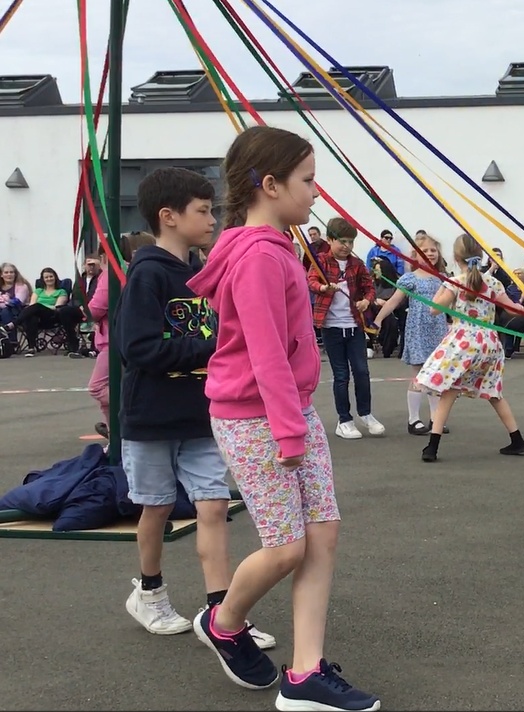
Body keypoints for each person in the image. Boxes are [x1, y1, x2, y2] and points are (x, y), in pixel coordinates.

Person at [187, 125, 380, 711]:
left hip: (287, 411)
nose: (316, 192)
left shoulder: (275, 248)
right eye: (308, 180)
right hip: (257, 419)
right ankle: (223, 622)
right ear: (270, 185)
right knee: (287, 546)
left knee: (322, 533)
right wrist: (290, 430)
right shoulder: (257, 257)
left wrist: (296, 420)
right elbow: (266, 353)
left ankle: (305, 673)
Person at [115, 167, 275, 652]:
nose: (211, 220)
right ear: (169, 216)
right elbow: (137, 347)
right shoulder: (146, 274)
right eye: (203, 211)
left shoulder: (204, 273)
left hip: (203, 413)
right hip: (150, 416)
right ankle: (149, 592)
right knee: (157, 506)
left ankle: (223, 612)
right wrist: (213, 347)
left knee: (213, 504)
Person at [416, 233, 524, 463]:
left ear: (456, 258)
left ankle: (432, 447)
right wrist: (522, 305)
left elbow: (434, 309)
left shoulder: (455, 282)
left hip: (464, 343)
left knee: (449, 391)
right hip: (489, 344)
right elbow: (512, 309)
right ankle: (517, 439)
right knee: (493, 392)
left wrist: (442, 286)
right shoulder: (493, 282)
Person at [309, 218, 385, 440]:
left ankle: (366, 414)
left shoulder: (357, 263)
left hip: (354, 327)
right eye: (342, 241)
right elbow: (311, 281)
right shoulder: (321, 261)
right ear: (330, 239)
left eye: (350, 242)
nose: (347, 246)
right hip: (331, 328)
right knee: (341, 375)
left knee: (362, 372)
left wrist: (366, 301)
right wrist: (324, 287)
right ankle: (344, 420)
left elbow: (369, 287)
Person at [372, 233, 450, 434]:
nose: (430, 254)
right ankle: (413, 419)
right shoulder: (410, 278)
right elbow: (394, 301)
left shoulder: (443, 279)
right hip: (418, 329)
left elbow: (450, 304)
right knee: (418, 374)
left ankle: (435, 418)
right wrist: (378, 319)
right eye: (425, 251)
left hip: (438, 330)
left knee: (435, 375)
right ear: (415, 255)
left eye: (433, 250)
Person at [88, 232, 155, 438]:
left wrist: (83, 311)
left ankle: (132, 410)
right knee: (111, 386)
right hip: (121, 336)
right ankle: (114, 433)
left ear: (104, 255)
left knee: (98, 387)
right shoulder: (129, 269)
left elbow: (96, 308)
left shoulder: (110, 273)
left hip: (112, 339)